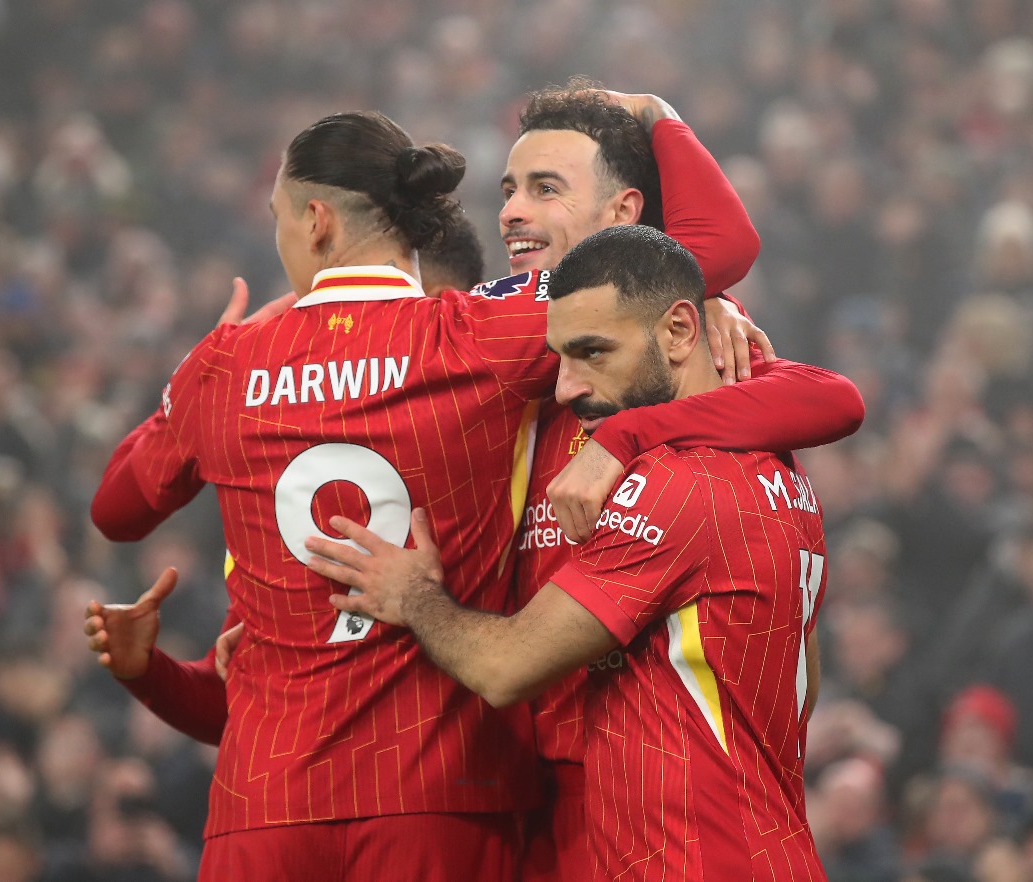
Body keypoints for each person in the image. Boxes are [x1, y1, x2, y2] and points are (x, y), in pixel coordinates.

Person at [88, 84, 865, 880]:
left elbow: (831, 396)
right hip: (509, 783)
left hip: (643, 784)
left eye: (545, 189)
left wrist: (634, 428)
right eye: (508, 191)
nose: (513, 213)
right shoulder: (492, 334)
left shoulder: (676, 349)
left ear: (628, 219)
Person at [91, 109, 559, 880]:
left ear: (315, 222)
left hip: (264, 803)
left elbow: (116, 509)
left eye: (277, 218)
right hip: (439, 792)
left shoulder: (227, 366)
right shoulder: (481, 335)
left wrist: (194, 370)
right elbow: (670, 279)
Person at [305, 225, 831, 881]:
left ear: (678, 332)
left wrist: (413, 594)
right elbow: (802, 677)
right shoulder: (779, 469)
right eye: (560, 359)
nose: (566, 388)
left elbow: (506, 668)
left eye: (593, 353)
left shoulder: (676, 485)